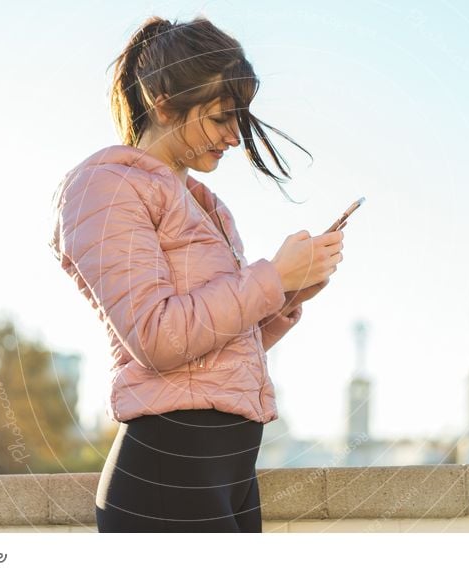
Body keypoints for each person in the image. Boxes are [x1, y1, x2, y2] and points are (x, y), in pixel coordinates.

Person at [48, 15, 345, 533]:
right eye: (219, 118)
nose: (234, 136)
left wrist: (285, 295)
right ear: (163, 103)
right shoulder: (107, 190)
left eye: (240, 119)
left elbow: (204, 357)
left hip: (226, 474)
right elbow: (157, 338)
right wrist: (269, 277)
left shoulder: (208, 206)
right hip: (169, 471)